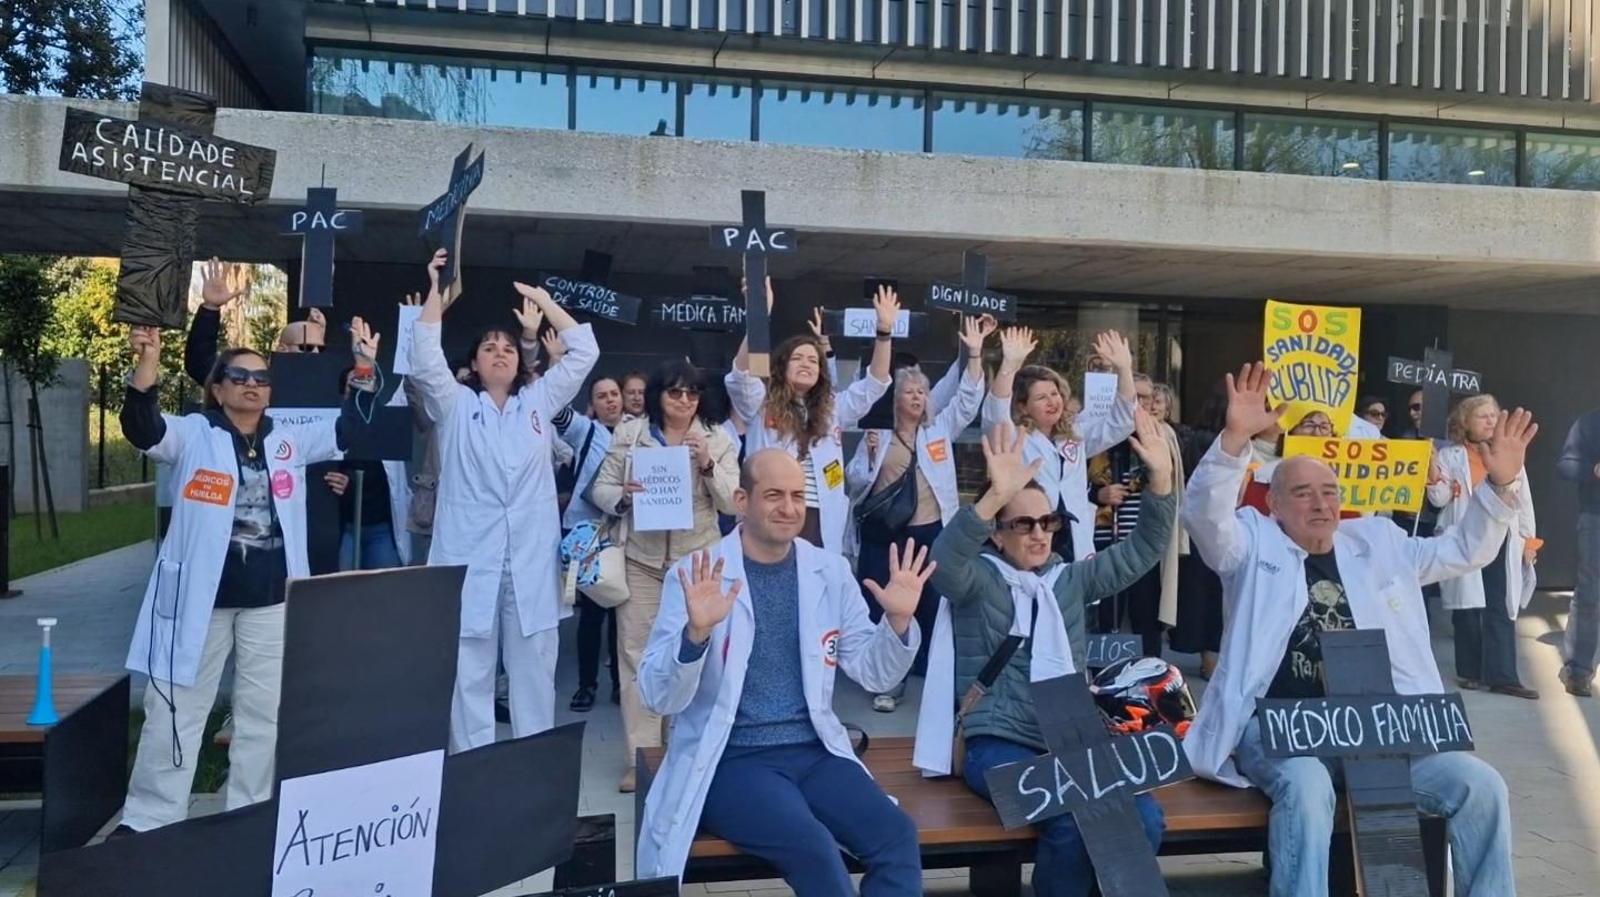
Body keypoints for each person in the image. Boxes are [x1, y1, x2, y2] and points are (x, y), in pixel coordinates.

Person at [1181, 362, 1530, 897]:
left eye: (1328, 491)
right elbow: (1207, 518)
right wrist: (1234, 440)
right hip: (1281, 732)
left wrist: (1500, 483)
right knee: (1307, 784)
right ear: (1273, 504)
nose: (1320, 503)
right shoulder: (1252, 543)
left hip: (1376, 734)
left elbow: (1463, 550)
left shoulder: (1379, 541)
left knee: (1480, 784)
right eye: (1302, 493)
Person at [116, 318, 381, 832]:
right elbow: (143, 427)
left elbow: (350, 428)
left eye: (261, 378)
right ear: (217, 388)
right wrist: (147, 363)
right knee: (175, 709)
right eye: (239, 376)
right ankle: (149, 820)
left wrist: (365, 366)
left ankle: (251, 813)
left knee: (263, 714)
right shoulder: (193, 434)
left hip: (271, 600)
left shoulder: (287, 439)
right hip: (201, 600)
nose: (252, 385)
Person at [635, 449, 930, 891]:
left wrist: (898, 622)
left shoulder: (828, 571)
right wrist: (695, 636)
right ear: (741, 499)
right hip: (733, 759)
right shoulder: (698, 575)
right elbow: (658, 697)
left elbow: (875, 674)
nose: (788, 508)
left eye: (796, 495)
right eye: (773, 495)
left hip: (815, 752)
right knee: (814, 849)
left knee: (897, 836)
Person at [916, 417, 1176, 897]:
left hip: (1073, 737)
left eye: (1049, 522)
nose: (1040, 534)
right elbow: (944, 563)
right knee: (1069, 823)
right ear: (997, 534)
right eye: (1024, 524)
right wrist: (993, 497)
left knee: (1144, 818)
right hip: (999, 741)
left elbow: (1142, 551)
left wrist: (1161, 482)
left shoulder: (1070, 581)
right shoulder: (980, 581)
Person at [408, 249, 600, 751]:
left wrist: (543, 299)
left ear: (520, 363)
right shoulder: (455, 405)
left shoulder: (537, 402)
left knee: (534, 665)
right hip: (470, 555)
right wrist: (436, 289)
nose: (500, 352)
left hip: (530, 560)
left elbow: (584, 352)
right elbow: (425, 354)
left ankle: (531, 763)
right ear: (473, 363)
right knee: (469, 665)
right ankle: (472, 766)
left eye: (509, 348)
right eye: (489, 347)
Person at [589, 359, 740, 793]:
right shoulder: (631, 434)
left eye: (692, 393)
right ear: (659, 395)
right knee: (636, 659)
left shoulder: (717, 437)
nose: (684, 400)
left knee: (693, 659)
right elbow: (600, 488)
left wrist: (708, 465)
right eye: (674, 392)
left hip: (697, 567)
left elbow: (733, 504)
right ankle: (641, 759)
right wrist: (624, 497)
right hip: (641, 562)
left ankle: (684, 750)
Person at [846, 315, 991, 712]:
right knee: (885, 605)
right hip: (885, 536)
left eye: (921, 393)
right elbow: (854, 483)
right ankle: (886, 679)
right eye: (908, 392)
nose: (916, 398)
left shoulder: (938, 431)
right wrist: (871, 458)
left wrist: (974, 353)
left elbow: (968, 398)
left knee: (931, 604)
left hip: (930, 533)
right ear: (894, 400)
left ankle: (926, 670)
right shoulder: (878, 436)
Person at [724, 281, 899, 551]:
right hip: (773, 512)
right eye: (798, 358)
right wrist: (759, 318)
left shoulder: (833, 408)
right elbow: (740, 374)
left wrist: (884, 332)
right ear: (782, 367)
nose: (806, 363)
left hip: (819, 517)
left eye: (813, 360)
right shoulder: (760, 402)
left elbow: (874, 384)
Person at [982, 328, 1137, 564]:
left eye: (1055, 394)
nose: (1052, 402)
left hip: (1075, 541)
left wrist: (1124, 369)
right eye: (1041, 398)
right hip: (1032, 534)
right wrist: (1009, 365)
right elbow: (996, 409)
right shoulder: (1015, 436)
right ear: (1023, 406)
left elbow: (1122, 421)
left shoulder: (1075, 433)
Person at [1428, 395, 1539, 699]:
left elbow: (1524, 499)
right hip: (1466, 536)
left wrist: (1529, 541)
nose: (1491, 420)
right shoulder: (1450, 456)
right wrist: (1432, 472)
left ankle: (1504, 676)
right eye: (1482, 416)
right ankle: (1470, 672)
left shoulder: (1508, 454)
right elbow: (1438, 499)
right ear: (1465, 423)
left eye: (1493, 415)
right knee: (1468, 607)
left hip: (1503, 537)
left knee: (1500, 605)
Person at [1086, 374, 1174, 657]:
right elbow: (1069, 485)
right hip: (1102, 539)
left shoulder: (1160, 438)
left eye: (1146, 396)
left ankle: (1149, 679)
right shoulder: (1097, 437)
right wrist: (1097, 495)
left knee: (1145, 617)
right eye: (1133, 395)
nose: (1141, 402)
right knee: (1103, 616)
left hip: (1142, 543)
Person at [559, 376, 625, 712]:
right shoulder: (586, 430)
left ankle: (619, 686)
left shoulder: (638, 432)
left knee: (621, 615)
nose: (610, 400)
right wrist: (557, 366)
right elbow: (557, 412)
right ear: (593, 403)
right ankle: (586, 686)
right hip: (589, 533)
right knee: (592, 616)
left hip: (627, 534)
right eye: (602, 396)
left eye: (615, 394)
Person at [1169, 382, 1228, 678]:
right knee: (1210, 594)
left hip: (1204, 526)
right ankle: (1210, 657)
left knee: (1206, 593)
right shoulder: (1212, 441)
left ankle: (1210, 656)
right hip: (1210, 525)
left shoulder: (1199, 438)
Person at [1557, 404, 1600, 697]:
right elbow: (1565, 466)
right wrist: (1594, 469)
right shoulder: (1588, 423)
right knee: (1589, 593)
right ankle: (1579, 670)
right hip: (1595, 517)